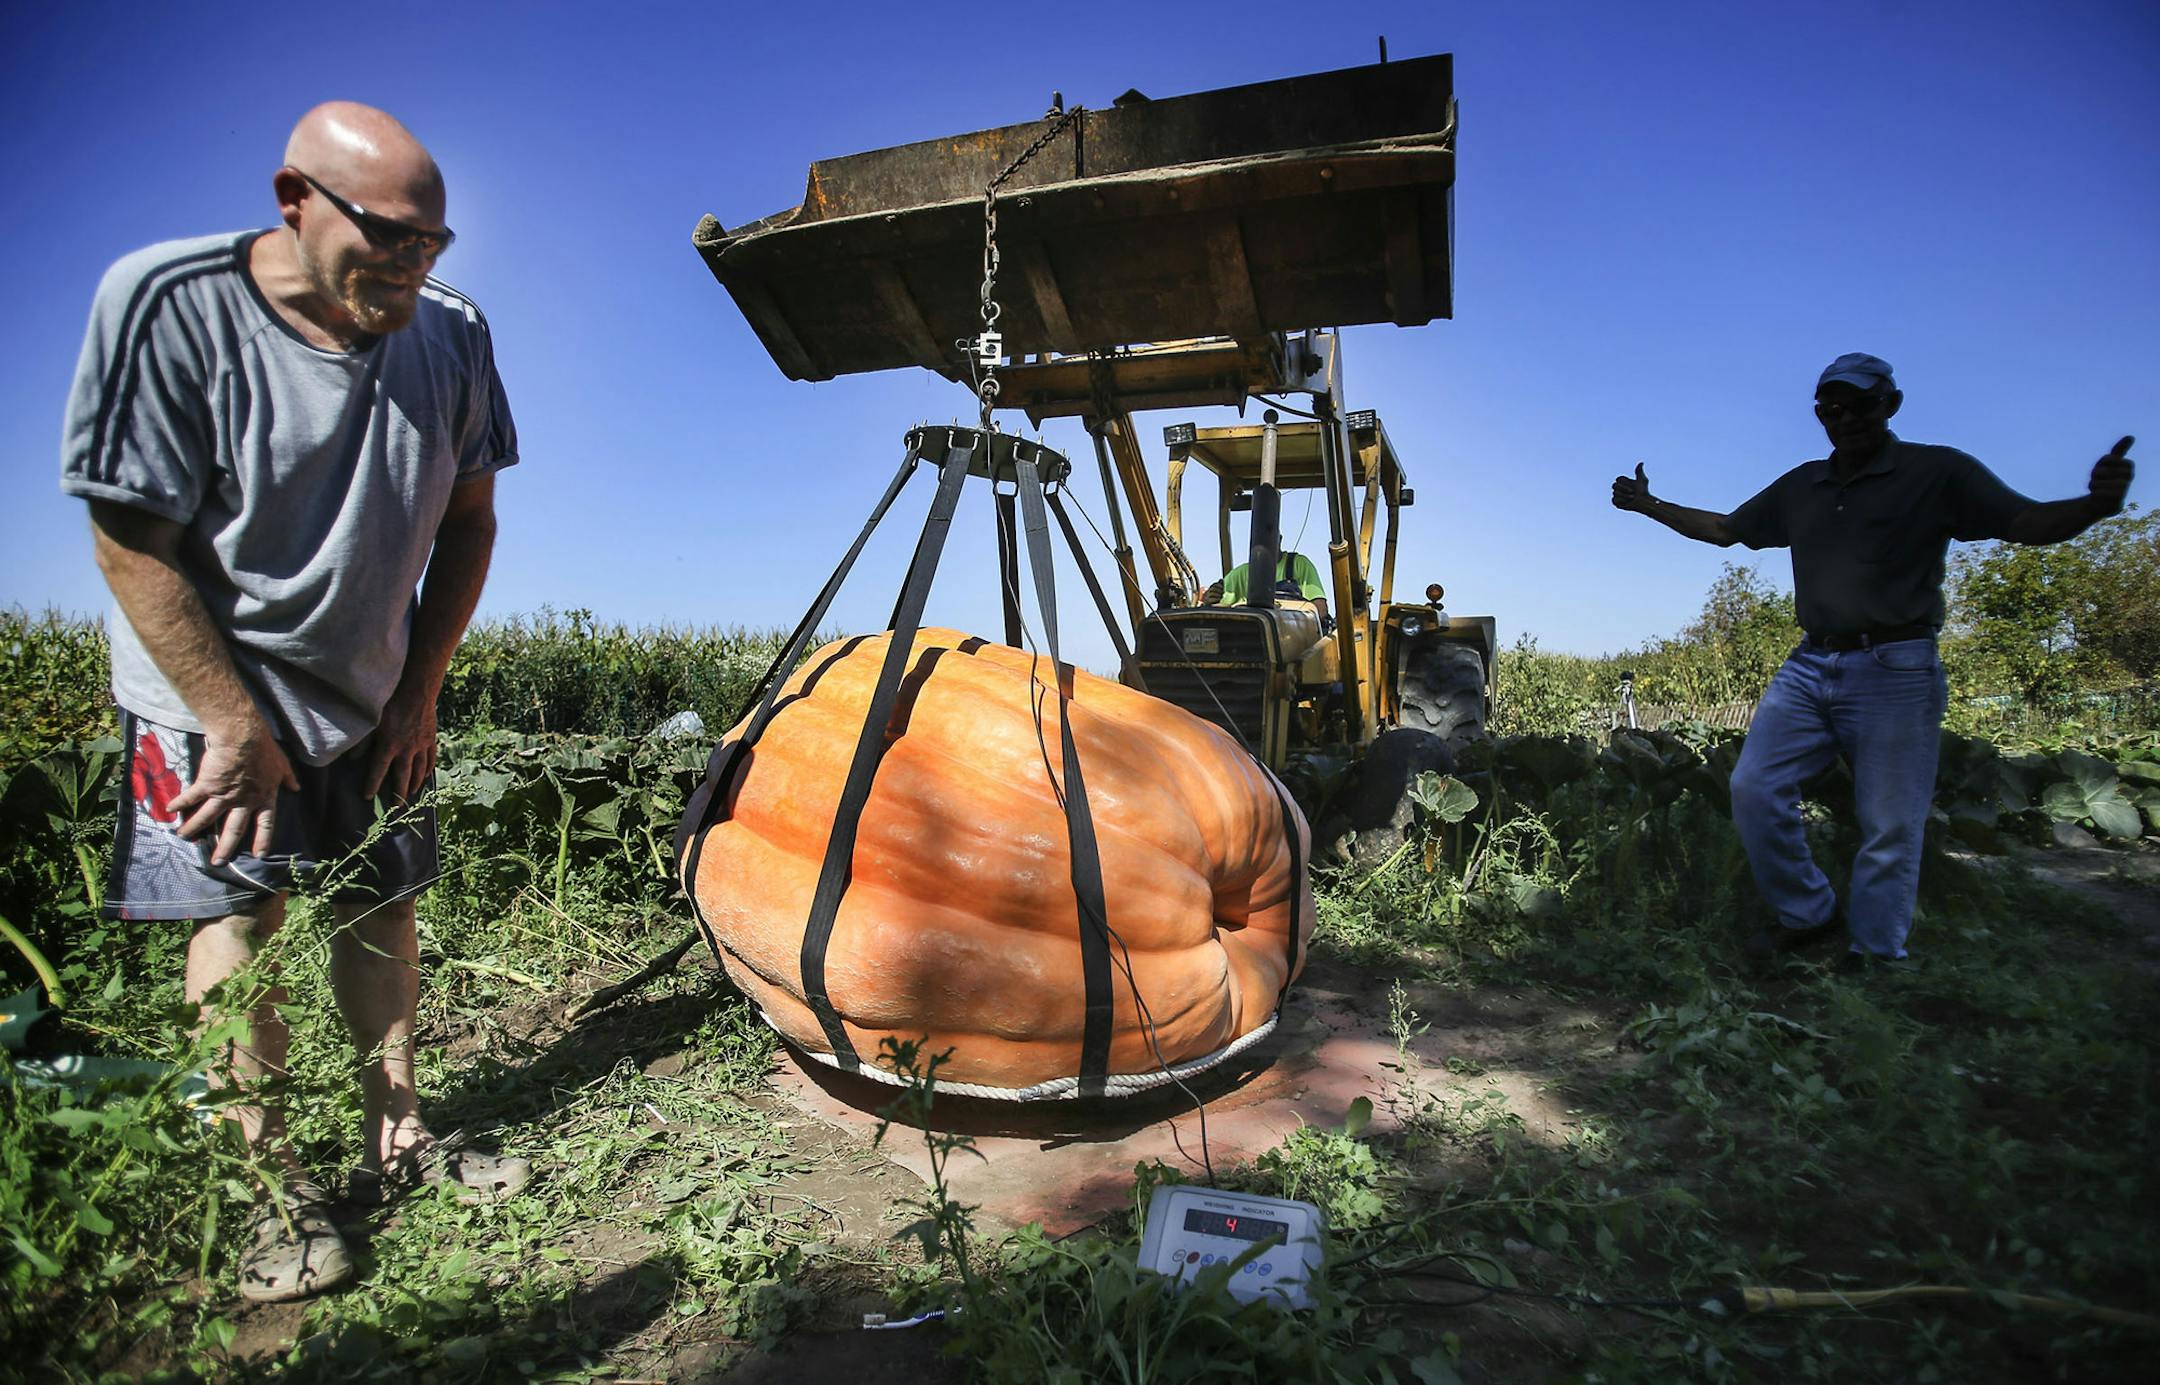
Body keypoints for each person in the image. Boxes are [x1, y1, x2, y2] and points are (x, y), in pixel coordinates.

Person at [61, 102, 525, 1301]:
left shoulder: (453, 335)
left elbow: (470, 524)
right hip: (202, 696)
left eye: (435, 244)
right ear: (295, 202)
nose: (416, 269)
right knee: (241, 928)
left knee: (386, 906)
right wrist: (230, 720)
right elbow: (132, 545)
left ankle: (397, 1134)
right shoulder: (170, 309)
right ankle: (265, 1189)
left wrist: (418, 691)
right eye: (390, 239)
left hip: (369, 692)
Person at [1611, 353, 2133, 971]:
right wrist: (1651, 506)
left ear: (1891, 404)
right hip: (1811, 664)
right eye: (1832, 408)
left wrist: (2094, 506)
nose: (1846, 417)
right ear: (1820, 415)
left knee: (1889, 821)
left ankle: (1876, 955)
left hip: (1896, 667)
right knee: (1754, 786)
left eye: (1861, 404)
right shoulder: (1804, 484)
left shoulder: (1937, 472)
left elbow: (2024, 521)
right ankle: (1809, 913)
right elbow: (1727, 529)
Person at [1203, 551, 1329, 620]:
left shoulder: (1298, 564)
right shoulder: (1242, 573)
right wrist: (1209, 597)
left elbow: (1320, 609)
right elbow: (1212, 602)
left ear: (1279, 539)